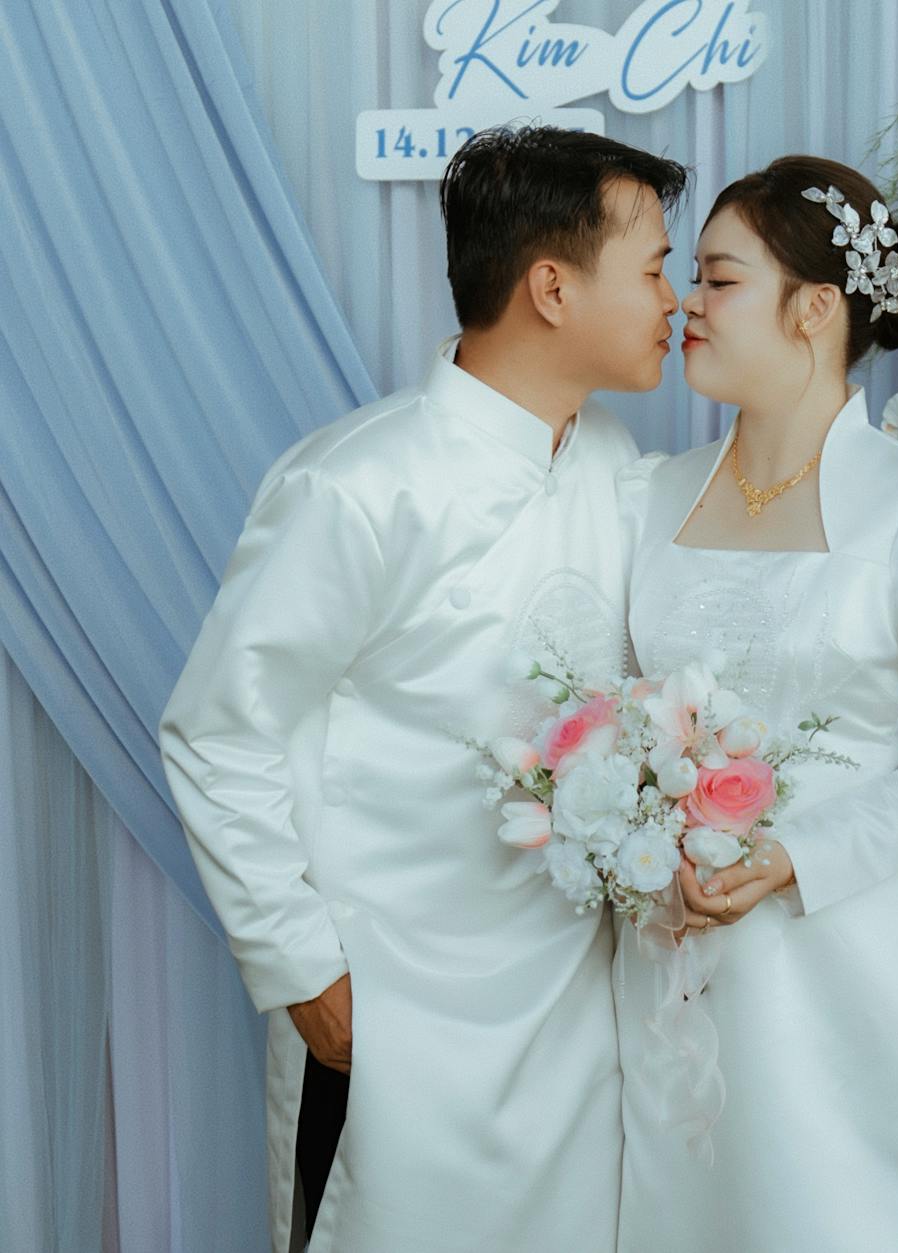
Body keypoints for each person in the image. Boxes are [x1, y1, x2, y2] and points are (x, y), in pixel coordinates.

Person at [159, 126, 685, 1252]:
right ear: (552, 285)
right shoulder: (357, 484)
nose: (674, 298)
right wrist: (300, 965)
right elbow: (217, 731)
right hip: (391, 1014)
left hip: (569, 1022)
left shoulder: (612, 466)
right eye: (652, 267)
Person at [612, 155, 898, 1252]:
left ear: (814, 308)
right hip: (665, 948)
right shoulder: (648, 494)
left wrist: (789, 858)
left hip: (833, 943)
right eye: (688, 275)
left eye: (719, 278)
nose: (686, 302)